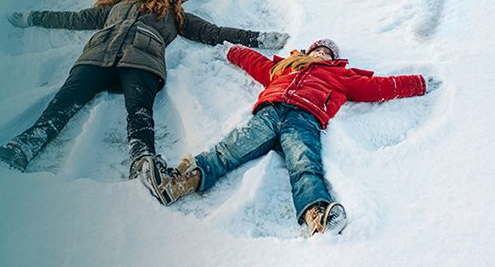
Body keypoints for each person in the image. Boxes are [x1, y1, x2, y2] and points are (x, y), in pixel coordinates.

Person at [0, 0, 289, 183]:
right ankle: (21, 149)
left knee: (140, 113)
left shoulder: (175, 13)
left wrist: (258, 38)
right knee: (62, 104)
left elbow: (213, 32)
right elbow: (74, 19)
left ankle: (143, 161)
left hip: (143, 60)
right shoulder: (119, 5)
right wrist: (32, 17)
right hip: (97, 55)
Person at [142, 38, 442, 236]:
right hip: (270, 112)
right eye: (319, 50)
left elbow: (380, 87)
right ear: (308, 51)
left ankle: (317, 216)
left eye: (328, 53)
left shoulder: (343, 77)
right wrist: (232, 51)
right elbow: (254, 62)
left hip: (305, 119)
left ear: (334, 60)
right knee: (230, 149)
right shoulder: (284, 68)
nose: (322, 54)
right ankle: (179, 182)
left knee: (304, 164)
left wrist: (418, 83)